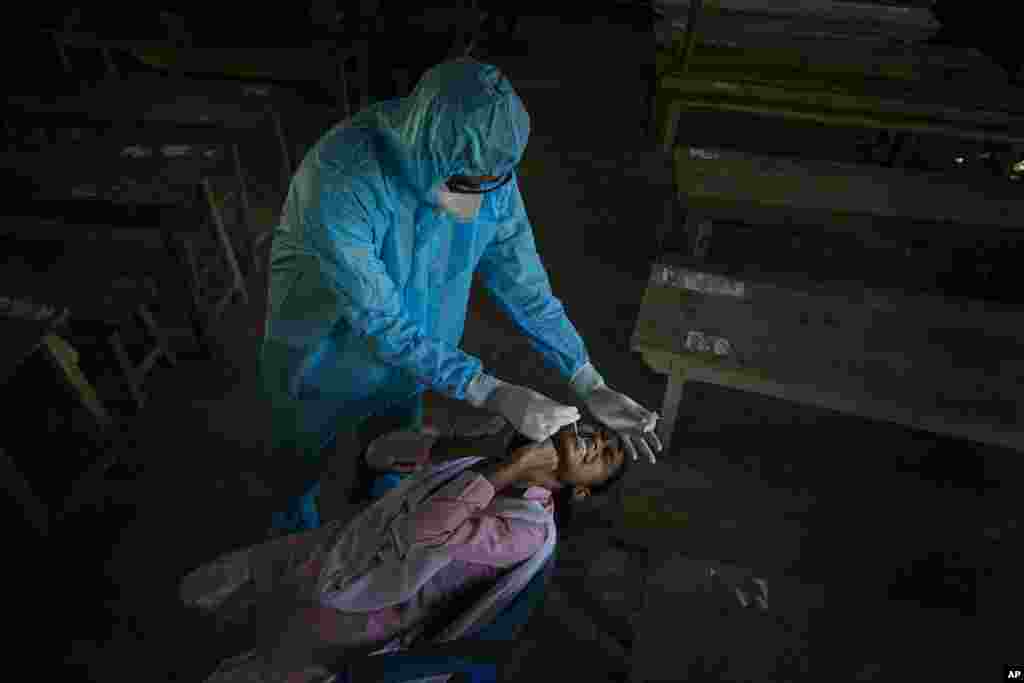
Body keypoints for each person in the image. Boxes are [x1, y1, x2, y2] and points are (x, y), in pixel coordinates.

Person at [258, 57, 661, 537]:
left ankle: (387, 518)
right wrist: (491, 391)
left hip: (423, 354)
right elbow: (381, 321)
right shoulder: (342, 179)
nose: (480, 198)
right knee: (299, 461)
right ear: (430, 152)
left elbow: (526, 286)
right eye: (467, 184)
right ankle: (291, 539)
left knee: (396, 460)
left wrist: (587, 378)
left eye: (492, 183)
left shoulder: (488, 177)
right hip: (323, 351)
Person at [181, 421, 629, 682]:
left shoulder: (528, 530)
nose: (598, 443)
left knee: (274, 665)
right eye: (597, 432)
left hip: (362, 607)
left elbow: (427, 529)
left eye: (606, 456)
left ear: (584, 492)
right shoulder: (491, 453)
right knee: (224, 586)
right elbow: (384, 454)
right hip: (345, 542)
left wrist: (515, 466)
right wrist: (494, 448)